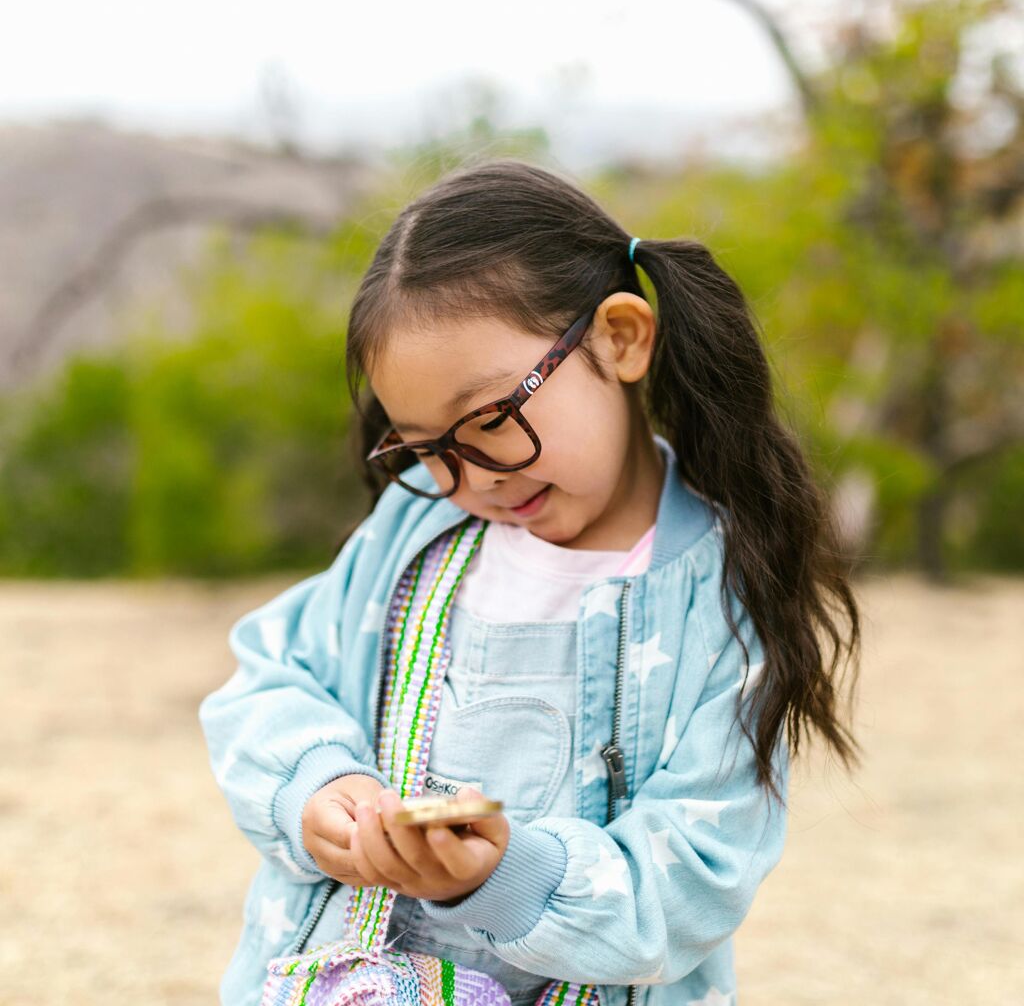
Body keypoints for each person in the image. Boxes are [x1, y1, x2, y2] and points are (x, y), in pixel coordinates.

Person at [198, 158, 862, 1006]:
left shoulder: (717, 601)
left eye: (489, 423)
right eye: (423, 447)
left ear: (620, 339)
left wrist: (505, 874)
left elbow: (694, 882)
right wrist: (316, 785)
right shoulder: (418, 529)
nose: (468, 479)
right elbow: (267, 679)